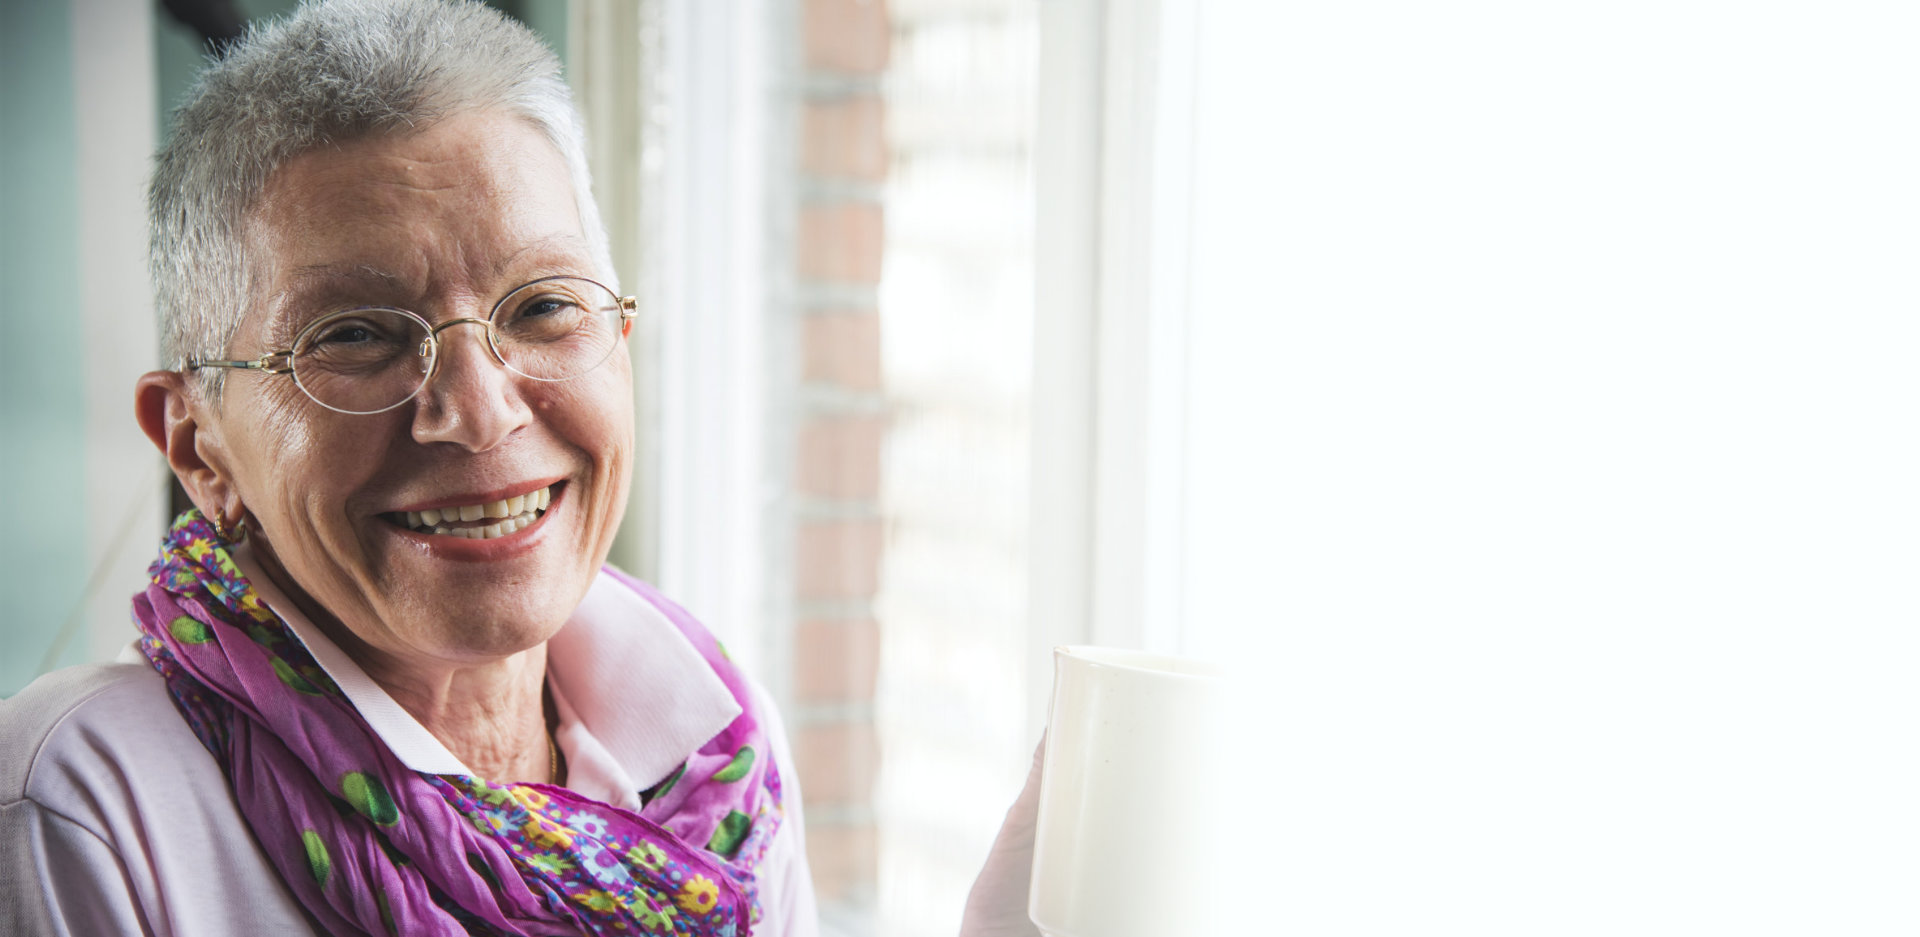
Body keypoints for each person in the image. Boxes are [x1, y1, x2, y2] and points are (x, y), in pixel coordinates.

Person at [0, 1, 1041, 934]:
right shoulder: (78, 806)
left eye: (544, 306)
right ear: (199, 445)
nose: (478, 410)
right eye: (358, 334)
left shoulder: (721, 750)